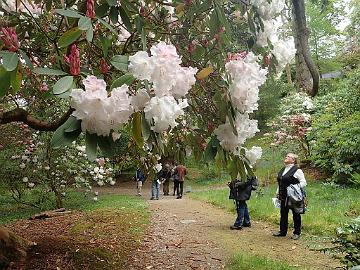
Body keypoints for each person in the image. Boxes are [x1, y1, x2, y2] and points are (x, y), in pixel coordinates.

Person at [273, 153, 307, 240]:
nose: (286, 157)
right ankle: (282, 231)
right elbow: (281, 183)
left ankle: (297, 233)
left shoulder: (297, 170)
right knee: (283, 213)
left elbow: (303, 182)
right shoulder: (283, 169)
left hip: (293, 197)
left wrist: (294, 188)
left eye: (289, 156)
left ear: (293, 160)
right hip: (283, 195)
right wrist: (277, 192)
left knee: (296, 214)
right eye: (286, 156)